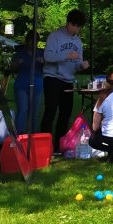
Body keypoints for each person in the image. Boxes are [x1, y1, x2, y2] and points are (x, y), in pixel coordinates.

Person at [41, 9, 89, 152]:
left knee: (66, 113)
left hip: (68, 80)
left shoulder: (78, 41)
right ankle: (44, 145)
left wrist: (81, 66)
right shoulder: (55, 36)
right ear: (68, 23)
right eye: (75, 25)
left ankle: (59, 146)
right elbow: (47, 57)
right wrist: (67, 55)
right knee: (50, 111)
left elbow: (76, 64)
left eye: (79, 27)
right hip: (52, 78)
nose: (76, 29)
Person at [11, 30, 44, 134]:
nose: (33, 43)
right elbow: (12, 68)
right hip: (22, 84)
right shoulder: (20, 53)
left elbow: (49, 68)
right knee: (22, 110)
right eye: (31, 41)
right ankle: (20, 136)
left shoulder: (41, 52)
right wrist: (17, 63)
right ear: (27, 41)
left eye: (36, 41)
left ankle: (33, 135)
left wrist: (43, 62)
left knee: (34, 112)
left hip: (37, 83)